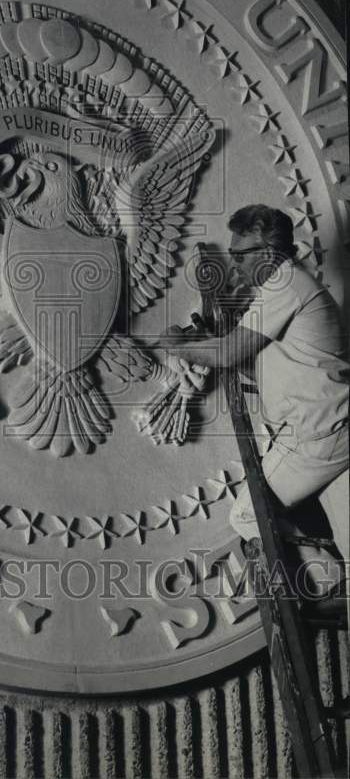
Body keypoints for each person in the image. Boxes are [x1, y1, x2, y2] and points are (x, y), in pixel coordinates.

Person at [163, 204, 349, 587]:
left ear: (266, 252)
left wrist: (177, 345)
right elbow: (253, 362)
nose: (235, 265)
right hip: (329, 428)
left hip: (320, 436)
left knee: (248, 516)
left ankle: (330, 582)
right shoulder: (283, 287)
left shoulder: (285, 285)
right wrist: (205, 344)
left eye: (240, 255)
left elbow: (231, 352)